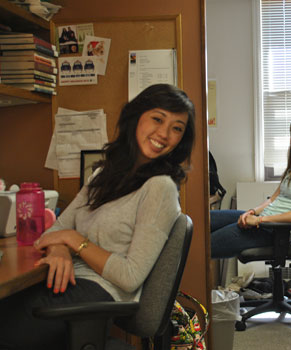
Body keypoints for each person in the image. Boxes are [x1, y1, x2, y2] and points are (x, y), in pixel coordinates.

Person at [0, 84, 196, 349]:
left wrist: (73, 240)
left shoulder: (159, 187)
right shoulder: (103, 176)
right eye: (158, 119)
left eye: (177, 128)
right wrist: (58, 248)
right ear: (136, 116)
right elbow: (55, 229)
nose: (164, 133)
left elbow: (130, 276)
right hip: (64, 281)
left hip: (96, 295)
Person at [210, 117, 291, 259]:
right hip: (265, 222)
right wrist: (252, 212)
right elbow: (273, 199)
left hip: (274, 232)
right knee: (206, 219)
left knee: (205, 245)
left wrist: (259, 221)